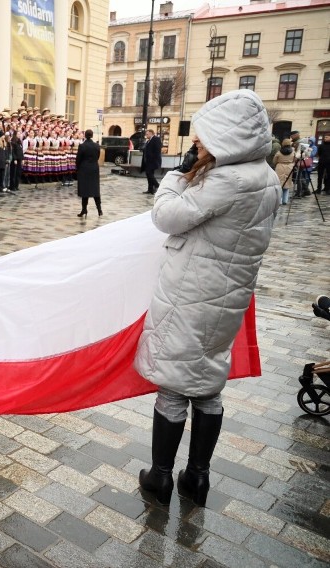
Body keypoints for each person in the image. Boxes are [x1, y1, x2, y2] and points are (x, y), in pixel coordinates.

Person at [135, 89, 280, 508]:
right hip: (227, 298)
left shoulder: (226, 180)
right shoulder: (266, 177)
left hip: (193, 295)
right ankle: (197, 478)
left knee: (176, 388)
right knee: (208, 387)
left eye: (203, 137)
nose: (196, 144)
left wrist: (175, 177)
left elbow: (167, 217)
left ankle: (160, 478)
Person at [75, 129, 101, 217]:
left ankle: (84, 209)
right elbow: (97, 157)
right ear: (92, 135)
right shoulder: (97, 146)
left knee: (84, 190)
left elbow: (78, 159)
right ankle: (99, 210)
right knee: (95, 189)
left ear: (85, 136)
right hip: (94, 169)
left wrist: (78, 168)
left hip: (84, 169)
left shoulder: (82, 146)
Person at [273, 138, 296, 205]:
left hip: (280, 167)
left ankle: (279, 200)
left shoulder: (279, 152)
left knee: (279, 183)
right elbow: (294, 160)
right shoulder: (293, 151)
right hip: (289, 167)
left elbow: (274, 160)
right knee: (287, 183)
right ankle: (285, 200)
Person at [141, 128, 162, 194]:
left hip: (153, 161)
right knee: (149, 174)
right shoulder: (148, 141)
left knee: (149, 174)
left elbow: (158, 150)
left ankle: (157, 185)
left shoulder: (156, 139)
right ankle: (150, 189)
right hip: (147, 161)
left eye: (147, 134)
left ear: (151, 133)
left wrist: (152, 157)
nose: (146, 135)